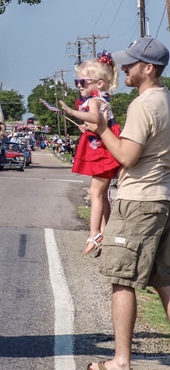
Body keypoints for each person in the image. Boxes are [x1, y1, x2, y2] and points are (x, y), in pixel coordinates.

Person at [85, 38, 170, 370]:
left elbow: (126, 157)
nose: (124, 69)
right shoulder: (166, 100)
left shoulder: (143, 105)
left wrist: (102, 128)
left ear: (148, 69)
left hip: (138, 201)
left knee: (122, 279)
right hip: (163, 197)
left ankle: (120, 362)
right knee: (164, 280)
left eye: (131, 64)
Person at [60, 51, 121, 255]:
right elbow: (99, 124)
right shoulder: (103, 100)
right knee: (103, 194)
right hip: (106, 150)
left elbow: (95, 118)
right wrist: (87, 128)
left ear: (99, 84)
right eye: (78, 82)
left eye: (83, 82)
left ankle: (94, 234)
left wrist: (71, 112)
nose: (79, 86)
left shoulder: (95, 101)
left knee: (94, 193)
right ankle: (105, 231)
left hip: (104, 153)